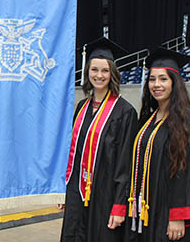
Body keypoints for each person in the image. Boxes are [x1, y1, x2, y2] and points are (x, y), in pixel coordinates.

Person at [126, 48, 190, 242]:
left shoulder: (189, 120)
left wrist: (178, 215)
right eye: (152, 79)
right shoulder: (149, 119)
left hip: (170, 212)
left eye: (163, 79)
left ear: (174, 83)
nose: (156, 84)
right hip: (149, 208)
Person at [60, 37, 138, 242]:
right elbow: (74, 154)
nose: (99, 75)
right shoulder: (82, 108)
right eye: (94, 69)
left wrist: (120, 206)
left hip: (105, 197)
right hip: (78, 192)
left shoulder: (125, 112)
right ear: (87, 72)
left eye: (104, 70)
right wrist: (64, 189)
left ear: (112, 73)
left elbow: (125, 164)